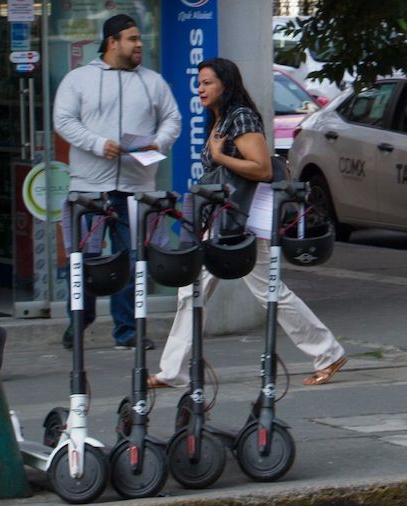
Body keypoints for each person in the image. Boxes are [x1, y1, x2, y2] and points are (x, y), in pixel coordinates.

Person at [147, 57, 347, 389]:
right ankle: (174, 371)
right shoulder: (222, 118)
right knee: (191, 290)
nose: (201, 89)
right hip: (223, 218)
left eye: (207, 82)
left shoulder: (240, 118)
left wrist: (221, 155)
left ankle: (328, 352)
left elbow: (262, 169)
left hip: (243, 221)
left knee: (271, 291)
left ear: (226, 83)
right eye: (199, 83)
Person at [53, 13, 182, 350]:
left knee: (133, 257)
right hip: (89, 186)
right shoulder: (78, 79)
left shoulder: (152, 81)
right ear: (112, 42)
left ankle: (127, 332)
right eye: (132, 38)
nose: (139, 44)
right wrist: (98, 144)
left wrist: (160, 141)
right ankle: (79, 321)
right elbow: (63, 120)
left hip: (136, 188)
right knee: (84, 259)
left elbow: (173, 118)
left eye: (140, 39)